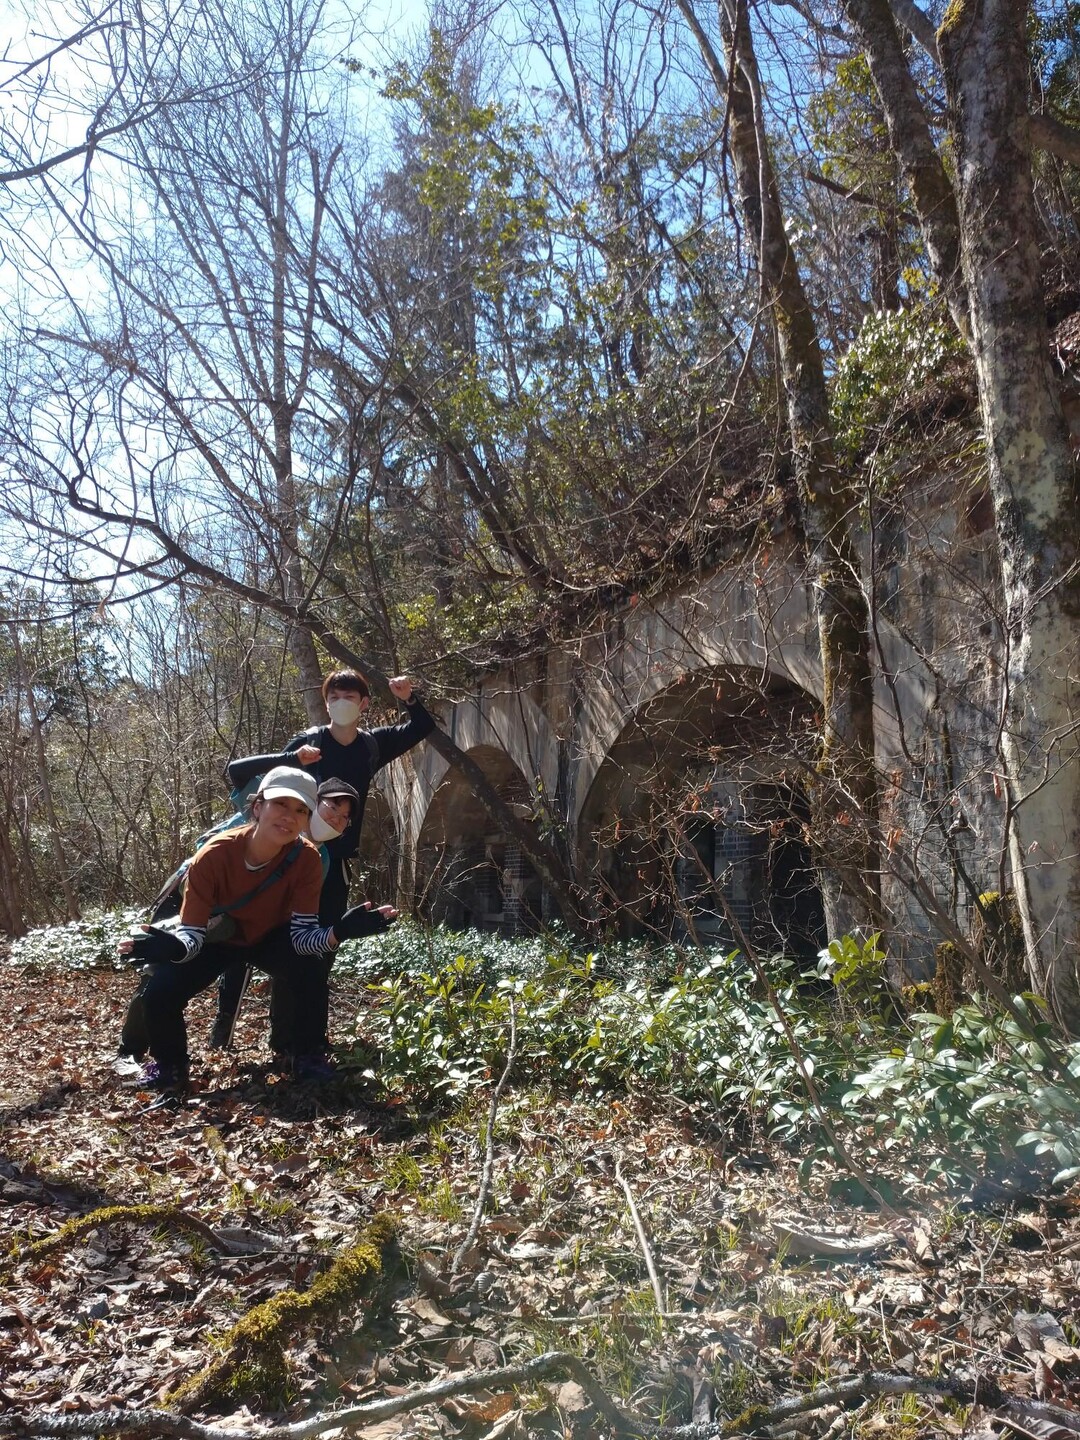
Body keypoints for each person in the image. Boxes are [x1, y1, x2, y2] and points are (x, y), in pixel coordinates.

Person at [120, 766, 395, 1095]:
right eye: (280, 804)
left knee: (310, 971)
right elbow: (192, 935)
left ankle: (307, 1056)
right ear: (257, 807)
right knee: (161, 990)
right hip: (220, 938)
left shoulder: (308, 859)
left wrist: (339, 931)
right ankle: (170, 1065)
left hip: (268, 937)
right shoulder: (213, 856)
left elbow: (303, 939)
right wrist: (175, 950)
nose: (289, 817)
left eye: (300, 810)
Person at [209, 776, 361, 1053]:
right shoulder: (270, 826)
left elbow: (302, 906)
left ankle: (292, 1044)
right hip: (224, 915)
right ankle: (221, 1030)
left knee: (303, 968)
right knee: (220, 966)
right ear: (314, 804)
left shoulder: (320, 857)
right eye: (332, 808)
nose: (336, 819)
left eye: (344, 818)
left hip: (272, 924)